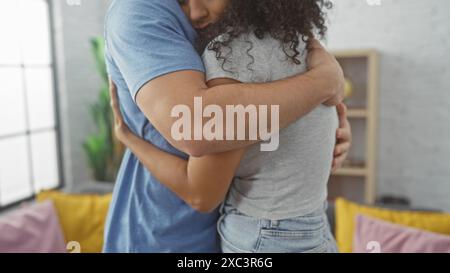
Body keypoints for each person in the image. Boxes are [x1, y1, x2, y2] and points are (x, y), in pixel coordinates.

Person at [103, 0, 350, 253]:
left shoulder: (236, 51)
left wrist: (128, 138)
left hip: (260, 232)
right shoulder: (288, 42)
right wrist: (324, 83)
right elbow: (197, 128)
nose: (195, 13)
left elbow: (201, 191)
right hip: (164, 234)